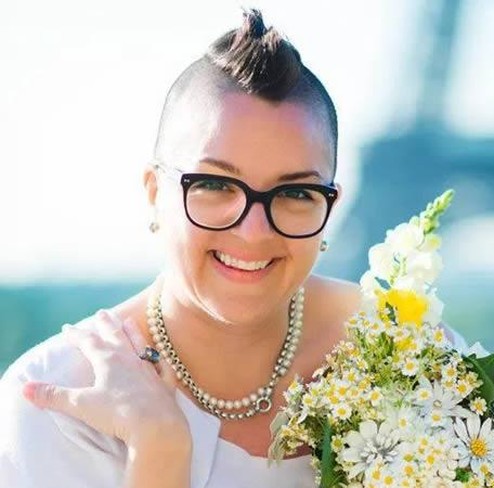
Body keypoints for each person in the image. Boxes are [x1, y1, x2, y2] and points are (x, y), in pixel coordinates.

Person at [0, 9, 466, 488]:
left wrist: (160, 452)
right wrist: (159, 447)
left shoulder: (414, 359)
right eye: (214, 185)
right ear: (155, 193)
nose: (253, 231)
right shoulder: (56, 407)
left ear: (330, 206)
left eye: (295, 193)